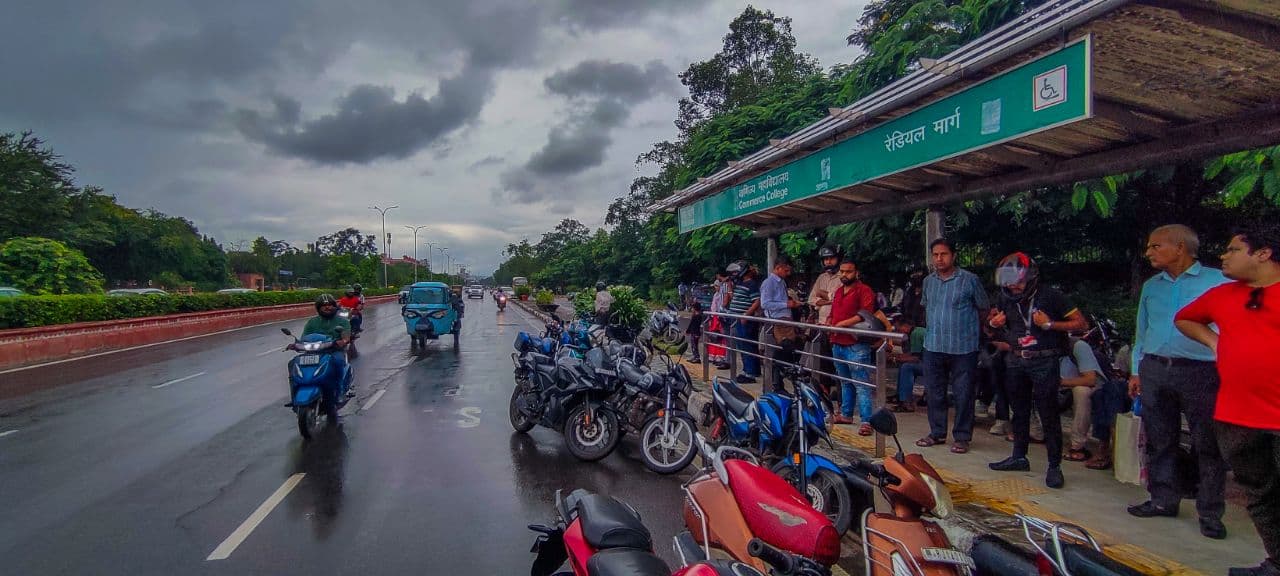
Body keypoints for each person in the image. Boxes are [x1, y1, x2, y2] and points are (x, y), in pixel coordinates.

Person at [1175, 224, 1280, 575]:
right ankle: (1276, 561)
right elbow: (1186, 319)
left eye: (1234, 249)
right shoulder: (1223, 295)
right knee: (1259, 493)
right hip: (1237, 415)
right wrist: (1213, 342)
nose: (1224, 255)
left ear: (1263, 253)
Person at [1125, 224, 1230, 540]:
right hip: (1156, 367)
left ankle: (1210, 511)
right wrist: (1136, 369)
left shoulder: (1218, 281)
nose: (1150, 252)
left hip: (1202, 371)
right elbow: (1142, 331)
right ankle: (1162, 500)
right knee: (1160, 438)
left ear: (1180, 247)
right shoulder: (1152, 286)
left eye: (1156, 246)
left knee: (1208, 443)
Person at [987, 252, 1087, 489]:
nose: (1013, 286)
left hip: (1045, 359)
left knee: (1048, 412)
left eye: (1017, 282)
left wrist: (1050, 324)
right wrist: (993, 324)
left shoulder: (1050, 296)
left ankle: (1054, 465)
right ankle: (1019, 456)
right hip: (1016, 359)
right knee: (1019, 412)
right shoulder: (1005, 299)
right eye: (1009, 282)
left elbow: (1081, 324)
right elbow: (991, 331)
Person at [917, 239, 990, 455]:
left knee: (964, 393)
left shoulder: (969, 280)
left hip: (963, 347)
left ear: (953, 255)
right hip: (934, 344)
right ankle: (937, 432)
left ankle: (962, 437)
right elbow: (926, 308)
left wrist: (972, 332)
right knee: (934, 392)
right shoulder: (928, 282)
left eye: (944, 254)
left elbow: (983, 308)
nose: (939, 259)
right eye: (936, 255)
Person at [826, 260, 877, 434]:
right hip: (838, 341)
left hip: (856, 343)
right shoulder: (839, 291)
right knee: (845, 382)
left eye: (848, 272)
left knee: (861, 384)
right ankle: (846, 414)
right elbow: (833, 312)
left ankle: (866, 421)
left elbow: (865, 314)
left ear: (856, 272)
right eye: (842, 271)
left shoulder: (864, 290)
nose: (844, 275)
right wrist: (830, 324)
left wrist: (842, 325)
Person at [1059, 334, 1103, 463]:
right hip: (1059, 389)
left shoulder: (1078, 346)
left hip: (1082, 388)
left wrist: (1059, 382)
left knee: (1081, 392)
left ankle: (1077, 446)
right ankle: (1035, 432)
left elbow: (1090, 379)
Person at [808, 246, 843, 402]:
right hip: (822, 325)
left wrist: (824, 299)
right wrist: (829, 299)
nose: (828, 262)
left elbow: (840, 300)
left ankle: (843, 401)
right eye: (825, 259)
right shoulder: (821, 277)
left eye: (831, 258)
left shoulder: (844, 276)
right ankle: (824, 395)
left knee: (840, 366)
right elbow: (811, 299)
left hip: (838, 327)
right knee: (823, 364)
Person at [759, 258, 800, 392]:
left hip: (786, 320)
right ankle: (777, 383)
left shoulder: (781, 282)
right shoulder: (769, 283)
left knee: (789, 352)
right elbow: (765, 304)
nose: (788, 273)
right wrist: (786, 304)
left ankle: (779, 382)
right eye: (786, 270)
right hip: (777, 322)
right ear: (778, 268)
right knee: (782, 351)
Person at [727, 262, 762, 384]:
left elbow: (757, 301)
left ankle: (750, 373)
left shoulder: (751, 284)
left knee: (746, 345)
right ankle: (751, 370)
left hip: (744, 320)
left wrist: (746, 314)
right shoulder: (741, 284)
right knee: (743, 345)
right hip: (737, 319)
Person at [888, 314, 926, 412]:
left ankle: (906, 402)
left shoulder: (916, 334)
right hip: (930, 361)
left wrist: (897, 359)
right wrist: (897, 357)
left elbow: (915, 358)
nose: (898, 331)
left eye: (898, 328)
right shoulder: (917, 332)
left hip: (932, 364)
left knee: (907, 367)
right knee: (904, 365)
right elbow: (913, 353)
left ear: (905, 326)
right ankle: (900, 395)